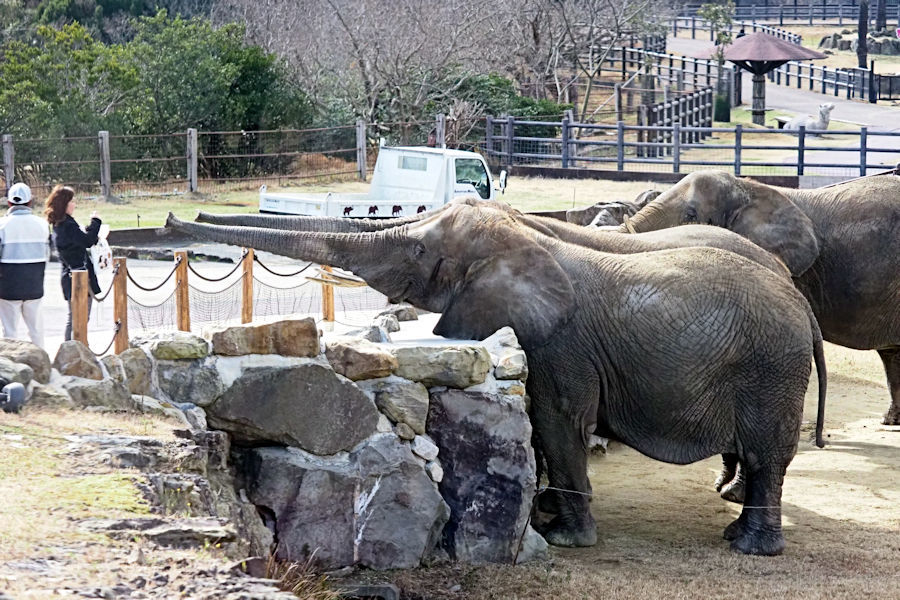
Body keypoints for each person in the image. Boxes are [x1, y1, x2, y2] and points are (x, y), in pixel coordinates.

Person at [43, 185, 101, 341]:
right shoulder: (67, 225)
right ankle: (73, 350)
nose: (74, 204)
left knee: (76, 318)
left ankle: (75, 349)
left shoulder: (60, 225)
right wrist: (96, 222)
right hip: (78, 277)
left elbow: (81, 241)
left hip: (71, 275)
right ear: (65, 204)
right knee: (78, 318)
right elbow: (87, 241)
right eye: (72, 201)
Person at [0, 183, 52, 346]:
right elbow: (47, 254)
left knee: (10, 333)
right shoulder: (42, 224)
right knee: (36, 331)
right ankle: (41, 364)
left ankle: (11, 368)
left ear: (9, 203)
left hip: (8, 286)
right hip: (34, 284)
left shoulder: (2, 225)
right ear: (30, 202)